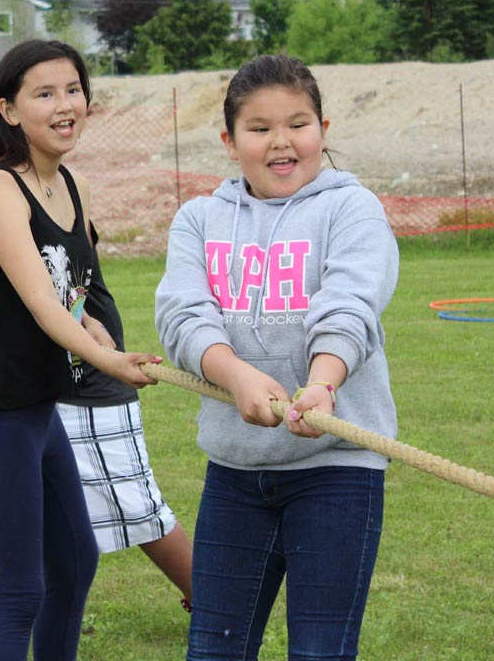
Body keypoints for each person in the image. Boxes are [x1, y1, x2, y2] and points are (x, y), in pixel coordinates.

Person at [154, 54, 398, 660]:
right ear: (230, 141)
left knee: (319, 651)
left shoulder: (351, 208)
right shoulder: (199, 219)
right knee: (214, 649)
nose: (282, 142)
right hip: (236, 474)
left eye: (299, 123)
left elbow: (350, 305)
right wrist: (234, 374)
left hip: (336, 469)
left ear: (324, 129)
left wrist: (323, 384)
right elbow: (183, 315)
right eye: (259, 128)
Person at [0, 40, 159, 661]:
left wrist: (97, 332)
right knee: (19, 590)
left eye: (73, 90)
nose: (67, 106)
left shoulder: (69, 185)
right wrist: (106, 361)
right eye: (45, 93)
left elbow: (69, 294)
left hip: (35, 406)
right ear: (6, 110)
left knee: (76, 559)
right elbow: (38, 301)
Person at [0, 222, 193, 661]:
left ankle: (213, 606)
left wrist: (99, 344)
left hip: (88, 382)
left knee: (136, 510)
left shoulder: (59, 210)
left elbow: (67, 304)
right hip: (5, 401)